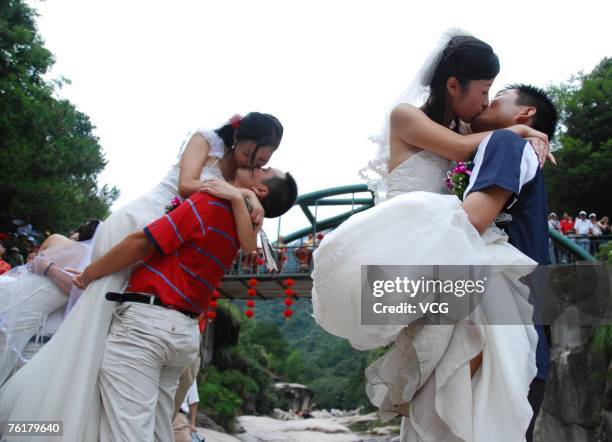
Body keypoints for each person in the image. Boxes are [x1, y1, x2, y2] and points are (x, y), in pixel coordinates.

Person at [313, 30, 551, 442]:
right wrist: (515, 132)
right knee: (451, 353)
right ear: (453, 85)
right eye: (484, 90)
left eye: (494, 94)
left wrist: (513, 133)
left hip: (446, 248)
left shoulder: (470, 130)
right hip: (414, 242)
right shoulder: (406, 116)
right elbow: (460, 150)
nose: (484, 101)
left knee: (453, 357)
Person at [0, 113, 284, 441]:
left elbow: (248, 241)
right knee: (95, 324)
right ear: (239, 139)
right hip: (136, 227)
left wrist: (244, 196)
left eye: (263, 162)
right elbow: (185, 186)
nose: (255, 165)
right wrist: (240, 196)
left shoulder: (237, 187)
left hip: (164, 245)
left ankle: (79, 418)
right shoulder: (207, 143)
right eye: (254, 157)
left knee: (107, 342)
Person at [70, 169, 297, 441]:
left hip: (147, 328)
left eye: (264, 169)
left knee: (126, 431)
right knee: (157, 430)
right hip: (183, 333)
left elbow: (142, 244)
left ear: (261, 190)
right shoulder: (238, 229)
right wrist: (242, 195)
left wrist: (89, 274)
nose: (257, 167)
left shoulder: (211, 203)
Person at [467, 83, 558, 441]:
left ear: (525, 113)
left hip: (504, 345)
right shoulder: (517, 147)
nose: (488, 100)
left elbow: (472, 221)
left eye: (498, 95)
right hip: (523, 343)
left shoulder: (506, 142)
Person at [0, 220, 99, 386]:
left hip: (18, 292)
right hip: (31, 311)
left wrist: (48, 267)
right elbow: (78, 292)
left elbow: (33, 265)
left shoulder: (56, 240)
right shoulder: (93, 263)